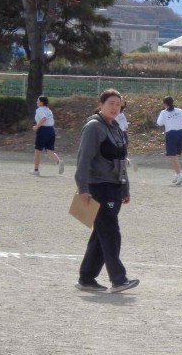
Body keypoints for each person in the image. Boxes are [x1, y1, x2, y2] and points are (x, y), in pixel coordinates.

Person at [74, 88, 139, 293]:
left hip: (114, 187)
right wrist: (83, 188)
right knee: (110, 232)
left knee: (101, 233)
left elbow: (121, 161)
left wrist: (125, 188)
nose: (115, 107)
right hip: (98, 187)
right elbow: (83, 159)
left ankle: (86, 278)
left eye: (118, 104)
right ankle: (118, 279)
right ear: (101, 104)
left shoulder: (117, 128)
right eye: (111, 103)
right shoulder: (94, 127)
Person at [156, 96, 182, 185]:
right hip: (180, 134)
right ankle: (176, 173)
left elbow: (159, 123)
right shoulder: (179, 110)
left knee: (172, 156)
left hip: (171, 134)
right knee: (175, 155)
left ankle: (179, 175)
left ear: (164, 104)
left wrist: (169, 121)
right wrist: (177, 121)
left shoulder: (164, 112)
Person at [31, 95, 65, 176]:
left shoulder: (40, 109)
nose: (37, 102)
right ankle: (58, 162)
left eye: (38, 101)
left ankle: (36, 170)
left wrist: (36, 127)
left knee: (37, 151)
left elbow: (44, 118)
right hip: (51, 130)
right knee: (49, 150)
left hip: (43, 130)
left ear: (42, 102)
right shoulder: (48, 110)